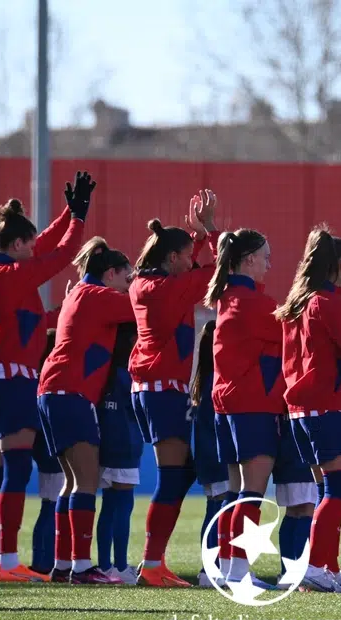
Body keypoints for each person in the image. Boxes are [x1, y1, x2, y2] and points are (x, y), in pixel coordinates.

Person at [0, 171, 94, 582]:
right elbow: (59, 257)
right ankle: (7, 561)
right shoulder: (11, 275)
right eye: (26, 244)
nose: (31, 249)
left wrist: (68, 213)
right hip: (11, 381)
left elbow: (40, 246)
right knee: (16, 470)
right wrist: (78, 220)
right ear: (16, 245)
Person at [203, 229, 317, 590]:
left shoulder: (229, 296)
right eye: (265, 256)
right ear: (248, 259)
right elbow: (298, 328)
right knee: (251, 492)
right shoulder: (252, 302)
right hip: (252, 405)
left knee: (236, 491)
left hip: (228, 404)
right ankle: (237, 569)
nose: (270, 262)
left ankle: (224, 565)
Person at [275, 227, 341, 594]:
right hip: (329, 407)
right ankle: (316, 565)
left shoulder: (298, 304)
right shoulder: (332, 306)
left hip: (302, 409)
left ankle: (328, 568)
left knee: (326, 491)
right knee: (338, 490)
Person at [128, 190, 218, 588]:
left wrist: (194, 238)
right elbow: (219, 272)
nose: (189, 262)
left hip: (156, 387)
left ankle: (154, 561)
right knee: (170, 476)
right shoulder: (166, 289)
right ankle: (150, 564)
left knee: (179, 475)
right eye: (184, 256)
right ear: (170, 260)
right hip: (162, 389)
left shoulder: (149, 283)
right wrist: (212, 231)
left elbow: (194, 270)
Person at [37, 235, 132, 585]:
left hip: (53, 390)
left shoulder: (80, 293)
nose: (129, 286)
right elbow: (146, 307)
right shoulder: (98, 296)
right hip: (70, 392)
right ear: (109, 275)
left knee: (72, 483)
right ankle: (80, 567)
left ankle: (63, 565)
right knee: (86, 483)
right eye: (126, 278)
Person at [96, 322, 144, 585]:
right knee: (123, 505)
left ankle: (105, 565)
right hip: (125, 444)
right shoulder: (128, 375)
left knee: (108, 505)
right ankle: (122, 566)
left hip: (104, 444)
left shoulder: (104, 372)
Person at [188, 320, 231, 588]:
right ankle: (214, 567)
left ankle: (209, 568)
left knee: (213, 508)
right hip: (217, 455)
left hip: (206, 456)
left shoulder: (204, 378)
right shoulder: (218, 379)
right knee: (220, 510)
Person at [30, 329, 64, 577]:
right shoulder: (51, 377)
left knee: (48, 503)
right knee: (52, 504)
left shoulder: (40, 376)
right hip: (50, 449)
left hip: (44, 449)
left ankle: (44, 560)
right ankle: (45, 562)